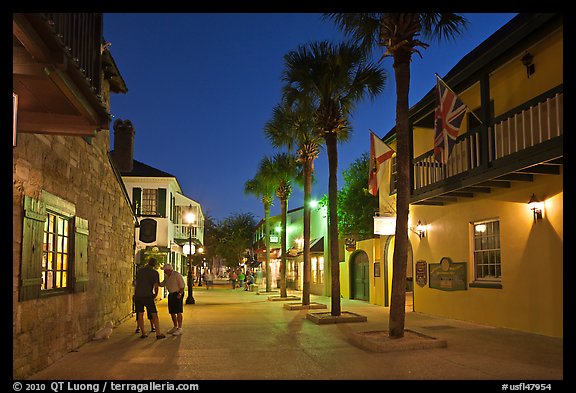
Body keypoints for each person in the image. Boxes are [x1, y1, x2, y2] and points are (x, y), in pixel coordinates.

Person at [134, 258, 166, 339]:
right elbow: (156, 285)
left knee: (140, 314)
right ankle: (158, 333)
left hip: (138, 295)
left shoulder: (140, 271)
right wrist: (155, 294)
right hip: (148, 295)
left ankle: (143, 332)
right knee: (154, 314)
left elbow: (136, 282)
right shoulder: (154, 273)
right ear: (154, 264)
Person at [159, 264, 186, 336]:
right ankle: (175, 326)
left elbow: (182, 286)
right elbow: (163, 283)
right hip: (171, 294)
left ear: (169, 270)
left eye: (165, 270)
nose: (164, 272)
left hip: (177, 293)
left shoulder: (176, 275)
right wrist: (158, 284)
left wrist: (180, 294)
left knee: (178, 311)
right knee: (172, 311)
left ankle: (180, 328)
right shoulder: (167, 276)